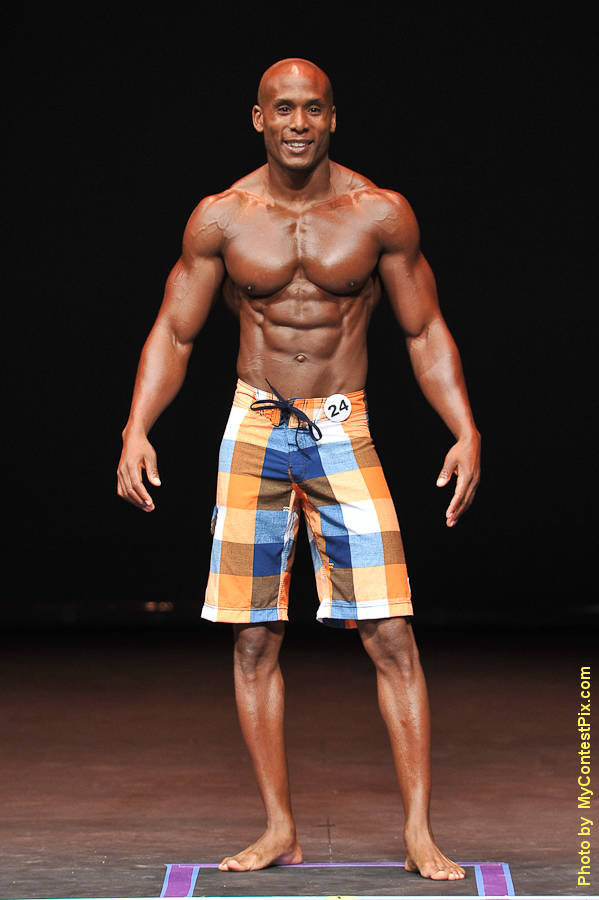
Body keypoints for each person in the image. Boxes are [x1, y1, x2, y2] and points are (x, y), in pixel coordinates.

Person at [117, 57, 480, 881]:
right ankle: (279, 826)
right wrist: (137, 427)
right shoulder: (221, 217)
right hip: (254, 426)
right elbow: (174, 332)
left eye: (312, 109)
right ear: (258, 118)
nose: (297, 124)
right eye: (282, 109)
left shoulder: (378, 212)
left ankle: (418, 831)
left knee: (389, 631)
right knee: (253, 638)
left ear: (332, 117)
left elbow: (423, 332)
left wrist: (463, 428)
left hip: (341, 428)